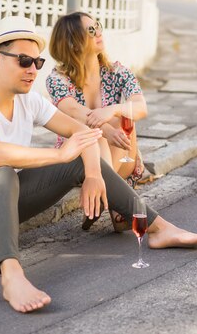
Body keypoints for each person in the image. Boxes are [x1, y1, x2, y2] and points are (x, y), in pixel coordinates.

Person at [0, 16, 197, 314]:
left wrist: (91, 173)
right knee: (3, 173)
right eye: (24, 61)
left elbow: (82, 132)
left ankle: (158, 228)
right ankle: (11, 276)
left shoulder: (30, 101)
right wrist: (60, 156)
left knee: (63, 162)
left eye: (37, 63)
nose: (32, 70)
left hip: (5, 198)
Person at [46, 12, 147, 232]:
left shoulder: (118, 72)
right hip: (78, 159)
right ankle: (113, 196)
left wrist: (112, 110)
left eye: (98, 26)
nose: (99, 32)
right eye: (91, 30)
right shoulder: (57, 79)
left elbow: (141, 108)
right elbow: (72, 110)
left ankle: (107, 196)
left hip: (121, 156)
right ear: (72, 41)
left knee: (124, 117)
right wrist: (105, 130)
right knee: (94, 135)